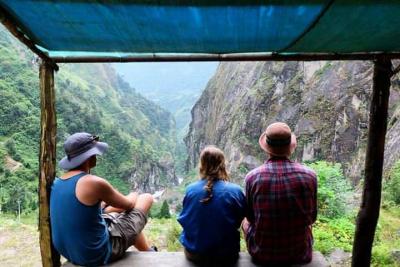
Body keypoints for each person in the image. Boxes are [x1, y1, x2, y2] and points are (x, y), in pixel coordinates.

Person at [50, 132, 155, 266]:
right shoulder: (93, 183)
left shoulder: (57, 182)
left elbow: (81, 211)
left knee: (118, 218)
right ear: (89, 157)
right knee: (146, 198)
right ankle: (149, 253)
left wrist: (107, 206)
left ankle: (148, 251)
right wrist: (134, 193)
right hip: (96, 254)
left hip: (70, 251)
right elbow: (129, 205)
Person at [243, 122, 317, 265]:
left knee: (245, 222)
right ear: (290, 147)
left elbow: (251, 218)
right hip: (299, 254)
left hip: (261, 254)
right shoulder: (310, 175)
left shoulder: (252, 177)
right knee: (307, 225)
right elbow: (312, 218)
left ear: (267, 148)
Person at [178, 146, 246, 265]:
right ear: (223, 165)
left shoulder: (191, 190)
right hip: (227, 255)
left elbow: (187, 218)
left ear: (202, 166)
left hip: (194, 254)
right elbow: (241, 219)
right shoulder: (235, 191)